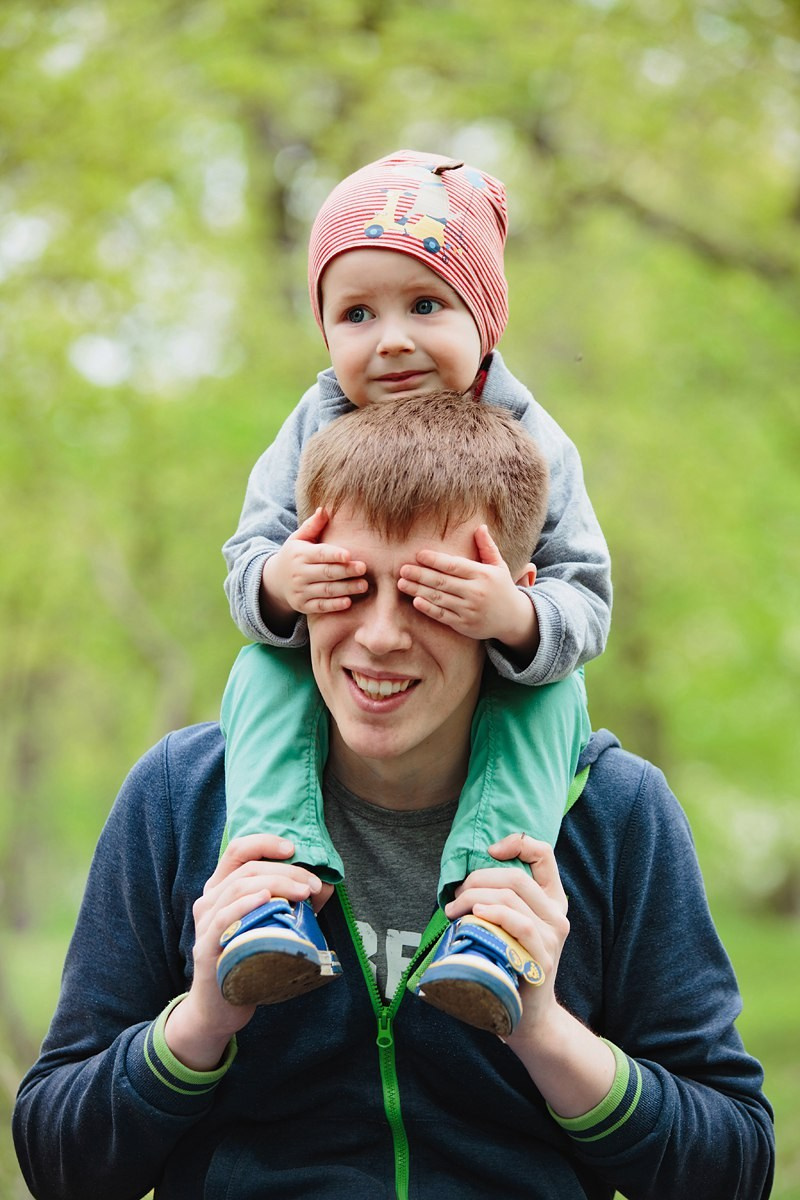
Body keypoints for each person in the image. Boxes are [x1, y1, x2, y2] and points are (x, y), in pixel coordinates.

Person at [14, 396, 774, 1200]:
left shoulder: (617, 811)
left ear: (514, 600)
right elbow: (59, 1164)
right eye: (346, 583)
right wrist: (199, 1022)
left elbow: (732, 1168)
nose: (379, 635)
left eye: (431, 594)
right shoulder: (181, 794)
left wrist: (546, 1032)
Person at [217, 150, 611, 1027]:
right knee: (259, 675)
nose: (390, 338)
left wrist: (514, 615)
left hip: (494, 673)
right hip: (314, 670)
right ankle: (272, 889)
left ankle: (492, 906)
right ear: (325, 332)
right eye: (356, 313)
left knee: (550, 696)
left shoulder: (535, 442)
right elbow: (246, 561)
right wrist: (282, 582)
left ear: (486, 319)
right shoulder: (311, 426)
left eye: (425, 305)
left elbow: (586, 598)